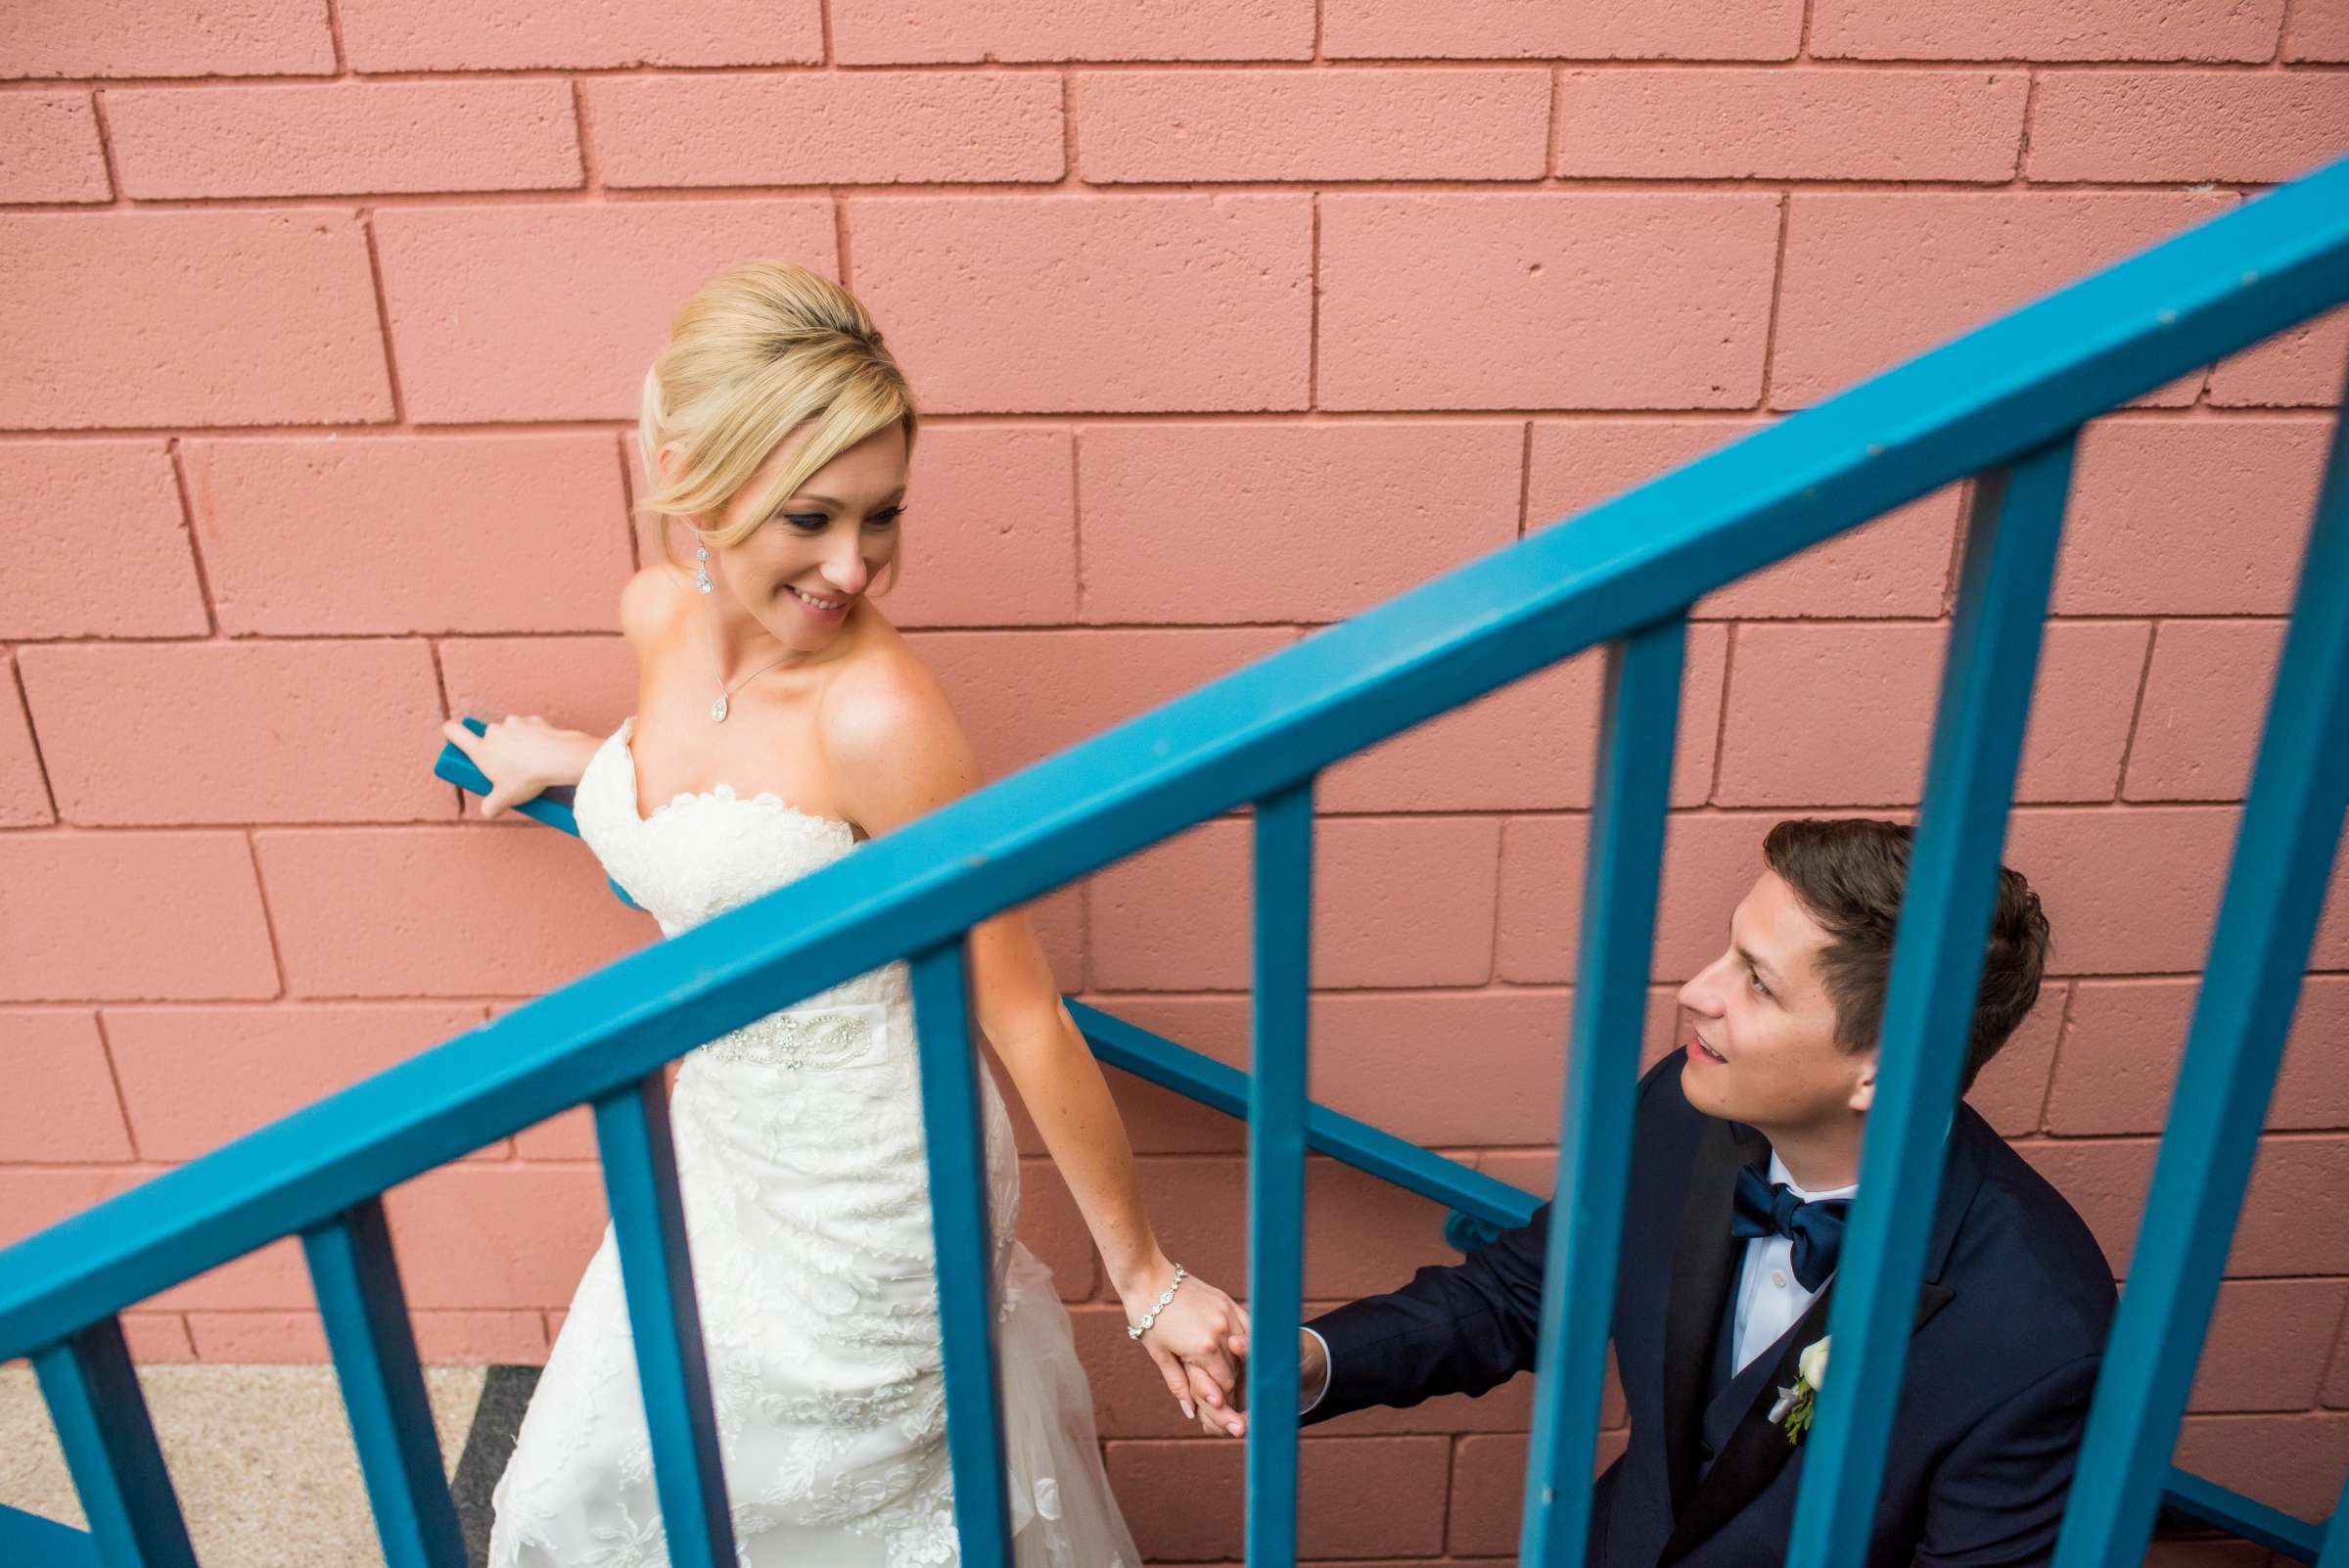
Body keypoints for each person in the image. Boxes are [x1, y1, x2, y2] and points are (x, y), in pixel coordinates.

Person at [442, 261, 1247, 1568]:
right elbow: (716, 795)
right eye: (810, 516)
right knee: (590, 1490)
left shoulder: (882, 715)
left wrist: (1147, 1277)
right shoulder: (659, 616)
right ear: (691, 477)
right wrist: (584, 767)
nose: (853, 565)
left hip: (877, 1193)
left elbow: (1024, 1010)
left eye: (883, 517)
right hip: (722, 1151)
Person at [1215, 818, 2116, 1567]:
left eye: (1756, 982)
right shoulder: (1680, 1111)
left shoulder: (2039, 1335)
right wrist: (1312, 1357)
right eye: (1728, 950)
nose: (1695, 992)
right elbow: (1525, 1294)